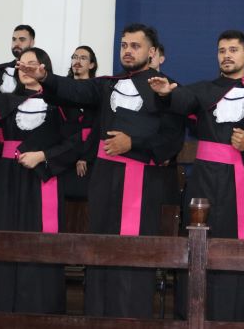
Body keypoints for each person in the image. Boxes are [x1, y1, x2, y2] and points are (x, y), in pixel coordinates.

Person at [24, 25, 184, 319]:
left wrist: (132, 143)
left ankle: (131, 320)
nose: (127, 51)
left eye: (135, 46)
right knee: (99, 247)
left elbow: (172, 138)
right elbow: (74, 89)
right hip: (104, 179)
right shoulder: (108, 84)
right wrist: (44, 77)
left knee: (134, 254)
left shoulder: (167, 87)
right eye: (124, 45)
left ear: (151, 52)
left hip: (141, 182)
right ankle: (97, 316)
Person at [149, 30, 244, 323]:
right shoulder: (202, 90)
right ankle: (195, 316)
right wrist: (166, 93)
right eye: (222, 50)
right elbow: (181, 99)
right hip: (205, 182)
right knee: (200, 244)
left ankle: (241, 317)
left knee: (239, 246)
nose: (227, 55)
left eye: (233, 50)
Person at [0, 47, 76, 314]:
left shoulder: (60, 104)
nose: (24, 69)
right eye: (21, 64)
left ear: (44, 68)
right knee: (2, 239)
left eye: (32, 63)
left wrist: (43, 156)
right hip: (5, 179)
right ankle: (0, 309)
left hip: (42, 178)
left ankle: (41, 310)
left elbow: (75, 143)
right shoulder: (4, 102)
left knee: (39, 242)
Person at [57, 45, 99, 202]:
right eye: (74, 57)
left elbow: (98, 128)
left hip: (88, 157)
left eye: (83, 58)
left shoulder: (98, 91)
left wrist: (85, 157)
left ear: (92, 65)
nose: (77, 61)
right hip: (62, 155)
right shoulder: (61, 89)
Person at [0, 25, 35, 96]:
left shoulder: (42, 73)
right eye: (14, 39)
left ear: (32, 42)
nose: (16, 43)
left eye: (22, 39)